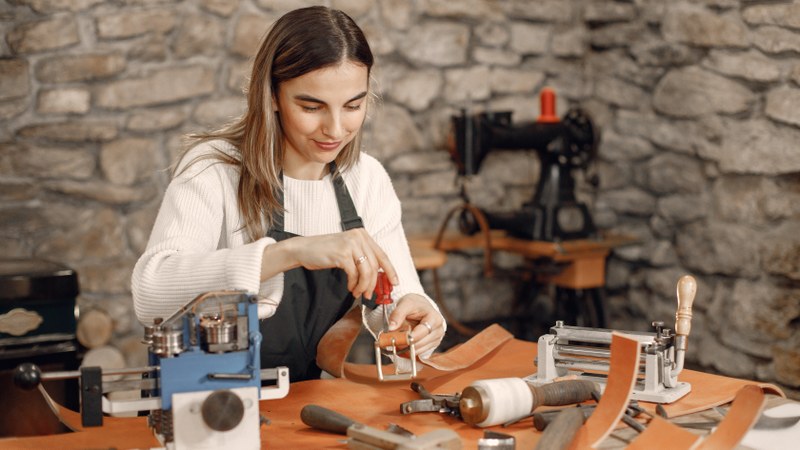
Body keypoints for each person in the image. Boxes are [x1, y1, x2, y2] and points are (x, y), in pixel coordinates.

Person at [131, 6, 446, 382]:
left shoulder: (366, 179)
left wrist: (416, 318)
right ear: (273, 96)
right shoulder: (215, 169)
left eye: (353, 106)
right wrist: (291, 252)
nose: (335, 129)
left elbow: (395, 300)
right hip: (210, 405)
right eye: (311, 107)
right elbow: (151, 293)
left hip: (309, 408)